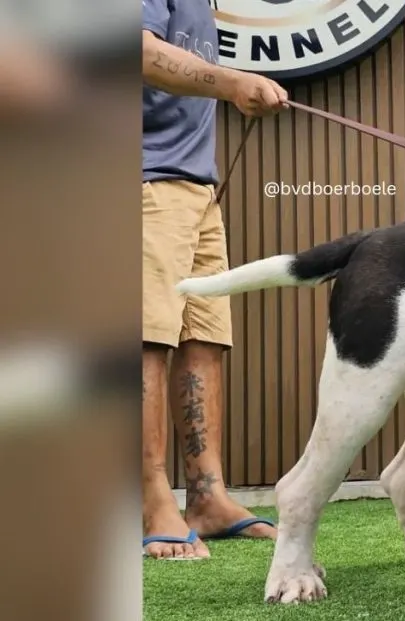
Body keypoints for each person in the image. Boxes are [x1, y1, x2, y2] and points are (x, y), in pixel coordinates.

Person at [142, 0, 288, 559]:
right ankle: (153, 501)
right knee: (146, 339)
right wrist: (232, 82)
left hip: (195, 186)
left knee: (204, 337)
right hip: (143, 179)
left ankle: (207, 498)